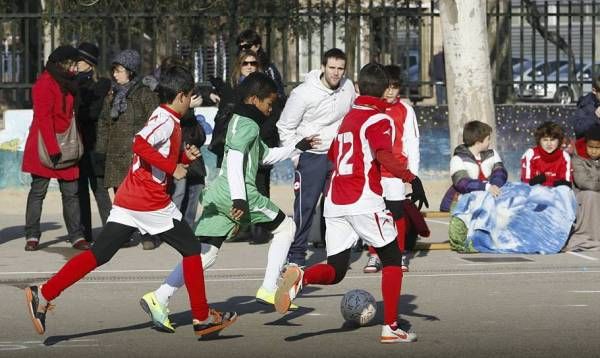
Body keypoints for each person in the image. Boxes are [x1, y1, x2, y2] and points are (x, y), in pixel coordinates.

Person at [24, 65, 237, 337]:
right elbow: (140, 144)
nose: (192, 101)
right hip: (149, 200)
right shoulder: (165, 120)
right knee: (193, 250)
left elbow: (154, 155)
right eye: (191, 95)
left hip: (130, 198)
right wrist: (173, 169)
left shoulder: (166, 117)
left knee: (99, 255)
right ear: (182, 96)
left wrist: (184, 158)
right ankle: (202, 316)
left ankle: (43, 292)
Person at [139, 72, 319, 333]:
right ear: (254, 99)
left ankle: (160, 296)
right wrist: (240, 199)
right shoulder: (248, 125)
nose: (272, 108)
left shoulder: (242, 121)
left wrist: (297, 147)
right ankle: (269, 288)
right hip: (241, 193)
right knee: (286, 228)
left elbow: (264, 156)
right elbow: (234, 158)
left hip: (219, 193)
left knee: (205, 253)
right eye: (269, 102)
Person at [273, 63, 417, 344]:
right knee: (392, 259)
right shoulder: (379, 119)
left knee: (337, 269)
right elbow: (384, 155)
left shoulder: (348, 119)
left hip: (335, 201)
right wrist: (411, 177)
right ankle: (390, 327)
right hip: (363, 198)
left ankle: (302, 276)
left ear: (359, 88)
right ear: (385, 89)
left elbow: (334, 155)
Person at [277, 48, 356, 266]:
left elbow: (352, 115)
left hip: (338, 155)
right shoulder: (302, 93)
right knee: (305, 208)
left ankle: (337, 254)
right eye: (332, 67)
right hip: (311, 157)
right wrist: (296, 157)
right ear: (322, 67)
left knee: (337, 207)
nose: (336, 73)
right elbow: (285, 127)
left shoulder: (348, 87)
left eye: (340, 68)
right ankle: (296, 257)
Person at [21, 45, 90, 251]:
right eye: (72, 63)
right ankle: (32, 235)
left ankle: (76, 235)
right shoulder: (44, 83)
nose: (75, 67)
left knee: (71, 193)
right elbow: (44, 118)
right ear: (61, 63)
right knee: (38, 191)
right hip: (45, 145)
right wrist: (52, 148)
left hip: (67, 144)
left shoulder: (69, 83)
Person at [363, 64, 426, 274]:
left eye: (395, 86)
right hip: (374, 172)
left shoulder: (405, 110)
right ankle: (374, 254)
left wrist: (412, 177)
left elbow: (412, 142)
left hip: (397, 174)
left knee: (397, 214)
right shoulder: (372, 109)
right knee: (375, 213)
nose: (390, 91)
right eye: (387, 86)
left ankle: (398, 254)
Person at [96, 49, 159, 248]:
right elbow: (104, 123)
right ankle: (122, 235)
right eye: (114, 70)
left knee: (140, 196)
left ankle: (147, 234)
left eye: (119, 70)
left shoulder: (145, 94)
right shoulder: (112, 95)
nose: (115, 74)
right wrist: (101, 151)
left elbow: (155, 121)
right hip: (115, 154)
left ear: (130, 71)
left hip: (137, 154)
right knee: (121, 198)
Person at [75, 42, 113, 242]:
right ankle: (83, 232)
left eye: (80, 60)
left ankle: (110, 230)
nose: (76, 64)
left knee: (99, 189)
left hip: (96, 145)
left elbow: (91, 113)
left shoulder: (101, 85)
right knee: (80, 190)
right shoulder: (73, 83)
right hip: (78, 145)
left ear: (89, 64)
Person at [440, 120, 508, 212]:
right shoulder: (457, 159)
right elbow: (462, 183)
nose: (489, 142)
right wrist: (486, 187)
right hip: (459, 205)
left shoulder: (492, 154)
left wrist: (495, 185)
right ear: (478, 141)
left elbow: (500, 172)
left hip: (485, 200)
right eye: (488, 139)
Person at [567, 124, 600, 251]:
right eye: (590, 147)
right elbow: (584, 183)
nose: (593, 151)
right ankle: (588, 236)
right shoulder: (577, 157)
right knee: (591, 194)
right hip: (583, 196)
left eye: (598, 148)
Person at [521, 121, 572, 188]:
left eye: (552, 140)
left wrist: (546, 181)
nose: (549, 144)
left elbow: (566, 184)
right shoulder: (530, 154)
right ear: (539, 141)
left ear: (559, 141)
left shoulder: (565, 157)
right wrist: (551, 182)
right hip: (535, 193)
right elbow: (526, 183)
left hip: (557, 194)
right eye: (545, 140)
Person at [572, 75, 600, 139]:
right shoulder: (585, 104)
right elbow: (578, 129)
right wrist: (594, 117)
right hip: (591, 145)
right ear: (594, 91)